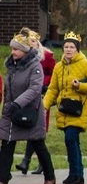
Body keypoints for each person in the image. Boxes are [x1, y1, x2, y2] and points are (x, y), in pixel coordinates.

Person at [43, 31, 87, 184]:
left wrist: (80, 86)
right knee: (71, 142)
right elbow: (53, 89)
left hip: (79, 109)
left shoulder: (86, 64)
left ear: (77, 49)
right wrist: (44, 106)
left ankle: (75, 173)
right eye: (66, 47)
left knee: (70, 138)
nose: (68, 50)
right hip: (64, 109)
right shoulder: (58, 67)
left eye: (72, 47)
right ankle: (77, 175)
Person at [0, 33, 56, 184]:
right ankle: (2, 179)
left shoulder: (35, 66)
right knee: (6, 143)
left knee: (38, 144)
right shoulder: (11, 66)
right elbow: (8, 90)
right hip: (11, 111)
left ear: (25, 50)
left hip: (30, 111)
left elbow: (34, 89)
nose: (13, 52)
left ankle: (50, 176)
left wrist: (18, 103)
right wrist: (8, 108)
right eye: (12, 49)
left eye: (16, 49)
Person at [16, 28, 55, 176]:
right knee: (31, 127)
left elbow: (53, 74)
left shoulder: (47, 55)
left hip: (43, 95)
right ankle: (37, 162)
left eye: (33, 41)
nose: (31, 44)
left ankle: (28, 161)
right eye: (28, 41)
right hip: (29, 96)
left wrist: (42, 83)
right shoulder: (24, 57)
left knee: (38, 129)